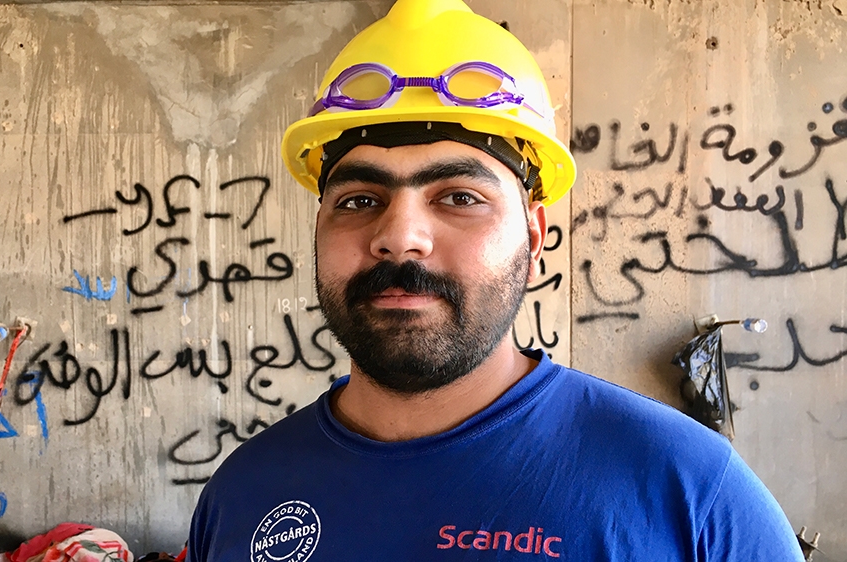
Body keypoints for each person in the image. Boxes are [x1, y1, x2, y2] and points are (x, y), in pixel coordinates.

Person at [187, 0, 803, 560]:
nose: (399, 237)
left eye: (459, 197)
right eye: (358, 200)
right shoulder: (242, 494)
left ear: (533, 237)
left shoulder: (692, 495)